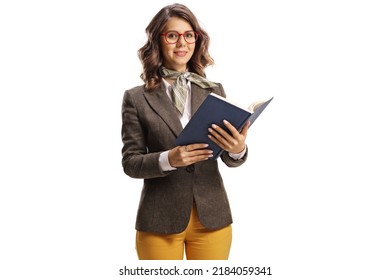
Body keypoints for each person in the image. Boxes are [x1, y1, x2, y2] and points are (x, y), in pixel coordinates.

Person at [121, 3, 250, 260]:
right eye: (172, 35)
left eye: (189, 35)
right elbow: (131, 163)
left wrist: (237, 150)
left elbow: (226, 156)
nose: (182, 43)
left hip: (212, 218)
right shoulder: (136, 98)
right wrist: (169, 159)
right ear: (157, 40)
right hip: (159, 220)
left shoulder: (214, 90)